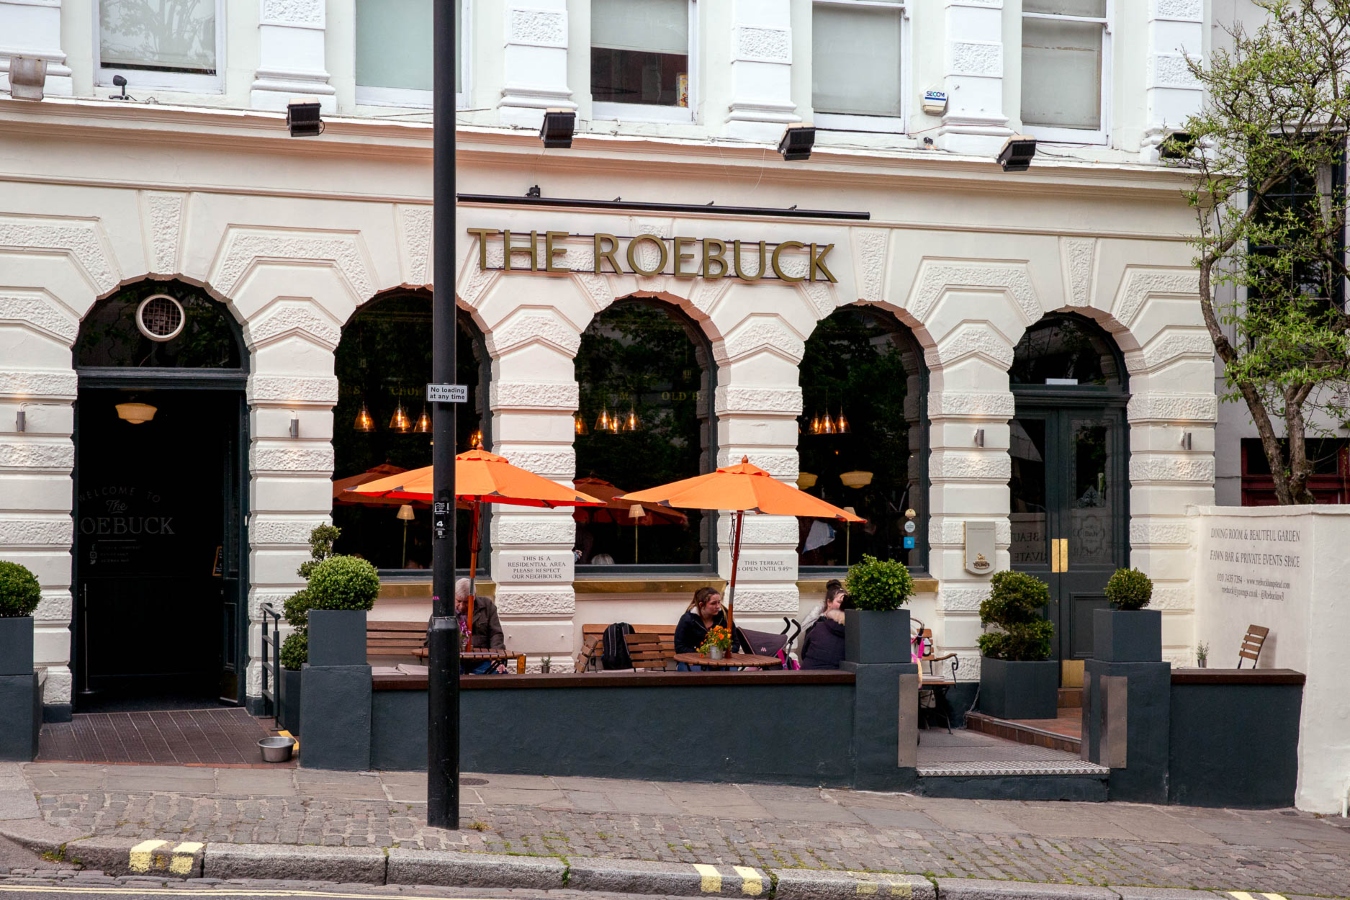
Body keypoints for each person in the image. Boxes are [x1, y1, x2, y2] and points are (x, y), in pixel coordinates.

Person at [674, 586, 743, 670]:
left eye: (719, 602)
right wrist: (706, 656)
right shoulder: (688, 619)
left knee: (732, 671)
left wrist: (723, 654)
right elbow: (680, 647)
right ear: (701, 605)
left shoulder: (724, 618)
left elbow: (735, 643)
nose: (718, 606)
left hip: (721, 662)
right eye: (713, 603)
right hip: (692, 662)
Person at [454, 577, 507, 674]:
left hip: (482, 661)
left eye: (466, 602)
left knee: (500, 675)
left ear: (474, 597)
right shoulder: (444, 609)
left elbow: (495, 634)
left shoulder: (487, 606)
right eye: (458, 601)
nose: (461, 606)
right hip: (454, 662)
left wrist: (497, 659)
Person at [800, 588, 848, 670]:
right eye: (839, 602)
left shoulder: (818, 626)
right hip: (835, 676)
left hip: (808, 674)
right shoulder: (852, 630)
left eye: (845, 603)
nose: (842, 606)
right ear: (829, 602)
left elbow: (804, 652)